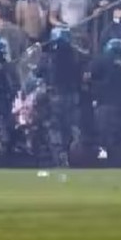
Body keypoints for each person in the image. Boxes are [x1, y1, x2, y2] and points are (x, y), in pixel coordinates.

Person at [36, 27, 84, 167]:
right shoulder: (76, 55)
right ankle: (75, 156)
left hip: (55, 94)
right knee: (72, 128)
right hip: (73, 95)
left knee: (55, 127)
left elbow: (38, 72)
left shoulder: (48, 56)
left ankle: (61, 158)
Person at [87, 38, 121, 168]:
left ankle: (102, 167)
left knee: (103, 141)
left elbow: (88, 76)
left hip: (105, 106)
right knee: (119, 142)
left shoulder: (103, 59)